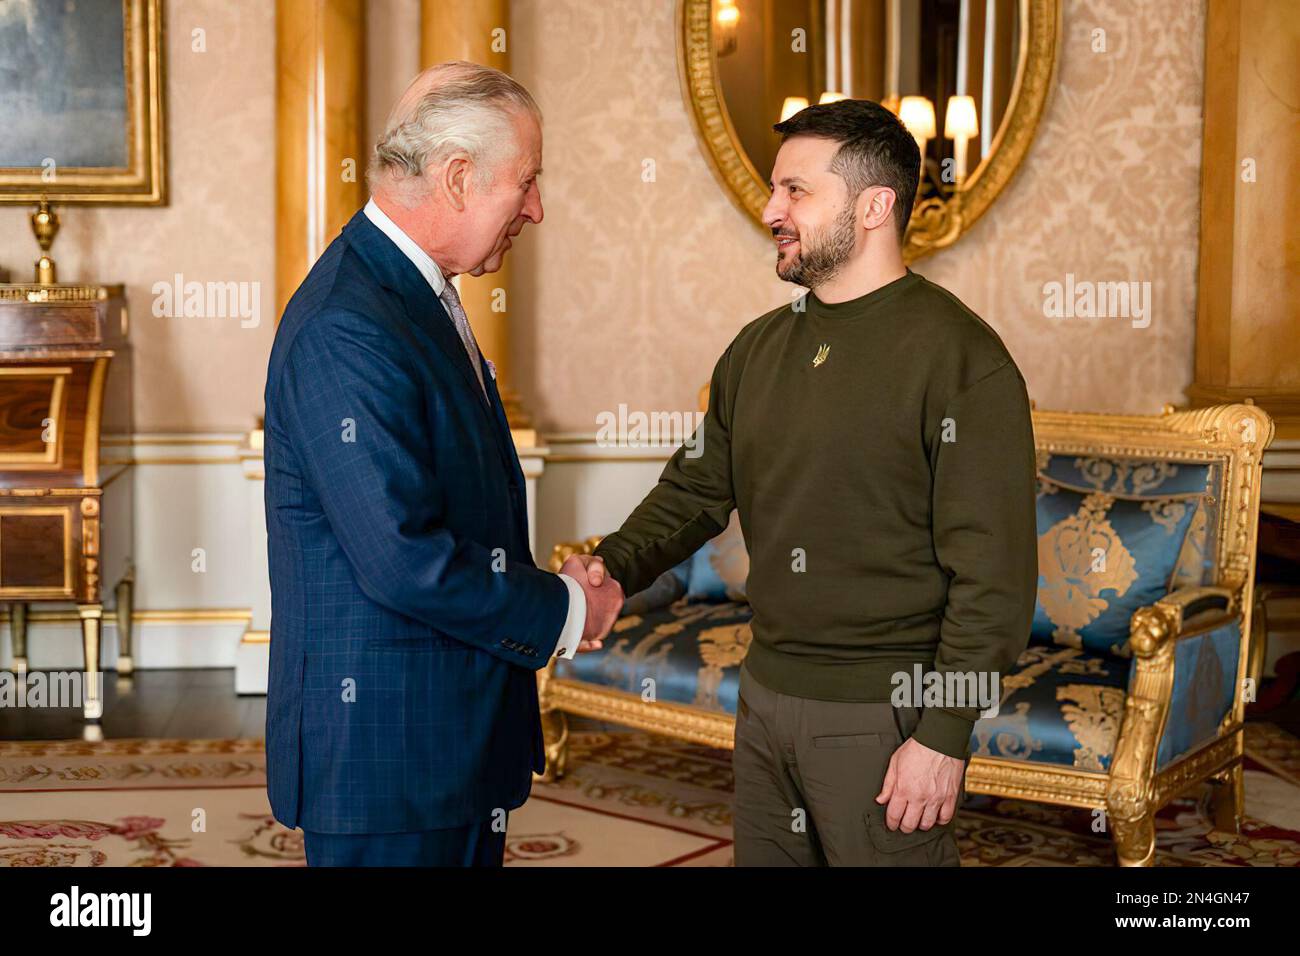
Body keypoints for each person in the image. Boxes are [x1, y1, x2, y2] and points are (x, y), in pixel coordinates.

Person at [570, 99, 1038, 866]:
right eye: (773, 190)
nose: (769, 209)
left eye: (796, 190)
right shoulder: (757, 348)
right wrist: (613, 568)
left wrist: (943, 737)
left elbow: (996, 580)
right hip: (763, 702)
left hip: (887, 717)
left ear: (874, 206)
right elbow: (692, 491)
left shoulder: (961, 359)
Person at [262, 61, 622, 867]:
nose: (537, 207)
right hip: (388, 763)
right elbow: (402, 560)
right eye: (525, 182)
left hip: (445, 746)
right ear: (459, 179)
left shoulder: (412, 292)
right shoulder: (348, 324)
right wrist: (565, 610)